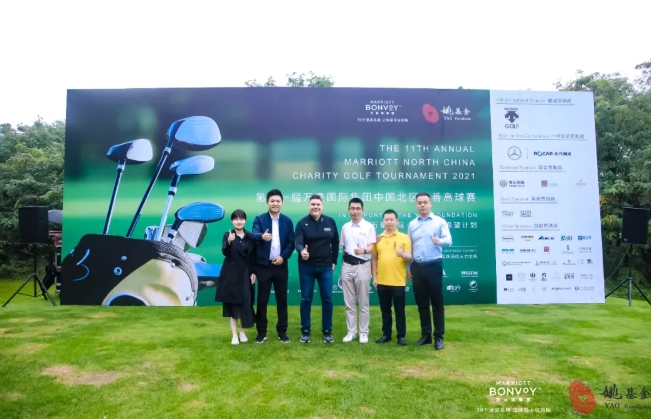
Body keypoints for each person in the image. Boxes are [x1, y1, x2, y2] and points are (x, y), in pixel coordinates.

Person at [407, 192, 452, 350]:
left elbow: (449, 240)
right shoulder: (412, 224)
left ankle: (438, 337)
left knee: (437, 303)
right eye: (419, 202)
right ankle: (425, 335)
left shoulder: (439, 222)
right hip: (417, 267)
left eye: (425, 202)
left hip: (434, 265)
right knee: (422, 303)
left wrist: (440, 241)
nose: (422, 205)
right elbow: (409, 247)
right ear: (416, 205)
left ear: (430, 203)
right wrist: (409, 267)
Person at [251, 189, 295, 344]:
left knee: (282, 299)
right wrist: (262, 236)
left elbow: (291, 242)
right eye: (272, 201)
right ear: (267, 203)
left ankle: (282, 331)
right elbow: (254, 234)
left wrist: (283, 257)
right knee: (262, 300)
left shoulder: (287, 221)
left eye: (278, 201)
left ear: (281, 203)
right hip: (264, 266)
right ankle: (261, 332)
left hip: (281, 265)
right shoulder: (259, 219)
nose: (275, 203)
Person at [294, 194, 339, 343]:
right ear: (308, 206)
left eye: (318, 204)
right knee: (306, 298)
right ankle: (305, 331)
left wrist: (334, 261)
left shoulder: (330, 221)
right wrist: (302, 251)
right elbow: (298, 242)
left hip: (325, 267)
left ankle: (327, 331)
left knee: (327, 299)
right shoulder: (302, 223)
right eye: (313, 204)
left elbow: (336, 242)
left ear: (322, 206)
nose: (315, 207)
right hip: (306, 267)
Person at [215, 209, 257, 345]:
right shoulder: (228, 235)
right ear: (232, 221)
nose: (239, 222)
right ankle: (234, 335)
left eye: (241, 219)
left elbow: (254, 256)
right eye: (236, 219)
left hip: (246, 274)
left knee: (246, 304)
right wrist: (229, 242)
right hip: (231, 275)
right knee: (232, 306)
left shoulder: (250, 237)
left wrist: (254, 271)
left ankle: (243, 332)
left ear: (245, 220)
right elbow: (225, 251)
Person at [372, 209, 412, 346]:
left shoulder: (404, 237)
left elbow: (410, 257)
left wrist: (403, 254)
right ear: (382, 222)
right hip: (382, 280)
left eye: (392, 219)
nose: (389, 222)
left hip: (398, 281)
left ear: (397, 221)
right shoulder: (378, 239)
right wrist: (374, 277)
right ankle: (386, 334)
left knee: (400, 311)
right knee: (385, 311)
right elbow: (374, 259)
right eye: (386, 220)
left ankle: (401, 336)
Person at [340, 198, 376, 344]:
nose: (355, 211)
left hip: (363, 265)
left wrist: (364, 250)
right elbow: (344, 248)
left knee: (363, 302)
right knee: (349, 303)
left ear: (362, 210)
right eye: (352, 208)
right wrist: (343, 266)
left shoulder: (369, 227)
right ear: (348, 210)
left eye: (358, 208)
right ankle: (351, 332)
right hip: (347, 266)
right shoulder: (345, 227)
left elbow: (372, 247)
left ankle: (363, 333)